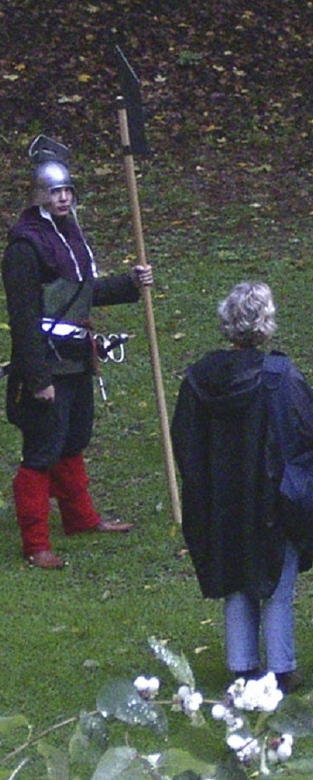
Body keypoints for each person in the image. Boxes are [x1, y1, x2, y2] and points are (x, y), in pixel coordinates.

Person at [172, 281, 313, 692]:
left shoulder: (198, 379)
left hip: (221, 498)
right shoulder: (279, 377)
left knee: (235, 582)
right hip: (270, 496)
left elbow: (185, 442)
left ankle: (242, 665)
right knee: (277, 583)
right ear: (265, 325)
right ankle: (281, 667)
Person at [2, 135, 153, 570]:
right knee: (43, 449)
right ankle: (36, 543)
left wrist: (129, 284)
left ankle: (81, 519)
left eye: (68, 190)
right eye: (55, 191)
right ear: (39, 195)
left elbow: (80, 295)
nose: (64, 197)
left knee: (74, 439)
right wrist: (37, 379)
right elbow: (26, 319)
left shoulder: (69, 234)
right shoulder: (24, 249)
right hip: (46, 363)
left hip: (77, 357)